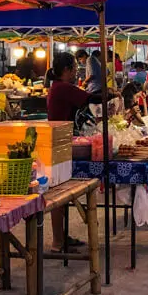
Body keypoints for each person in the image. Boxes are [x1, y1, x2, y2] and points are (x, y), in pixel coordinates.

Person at [46, 53, 107, 251]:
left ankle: (62, 237)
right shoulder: (63, 87)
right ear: (66, 70)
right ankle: (57, 241)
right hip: (58, 142)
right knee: (59, 193)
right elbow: (90, 98)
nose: (76, 71)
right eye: (74, 68)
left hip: (61, 140)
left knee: (63, 192)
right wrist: (112, 93)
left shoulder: (58, 87)